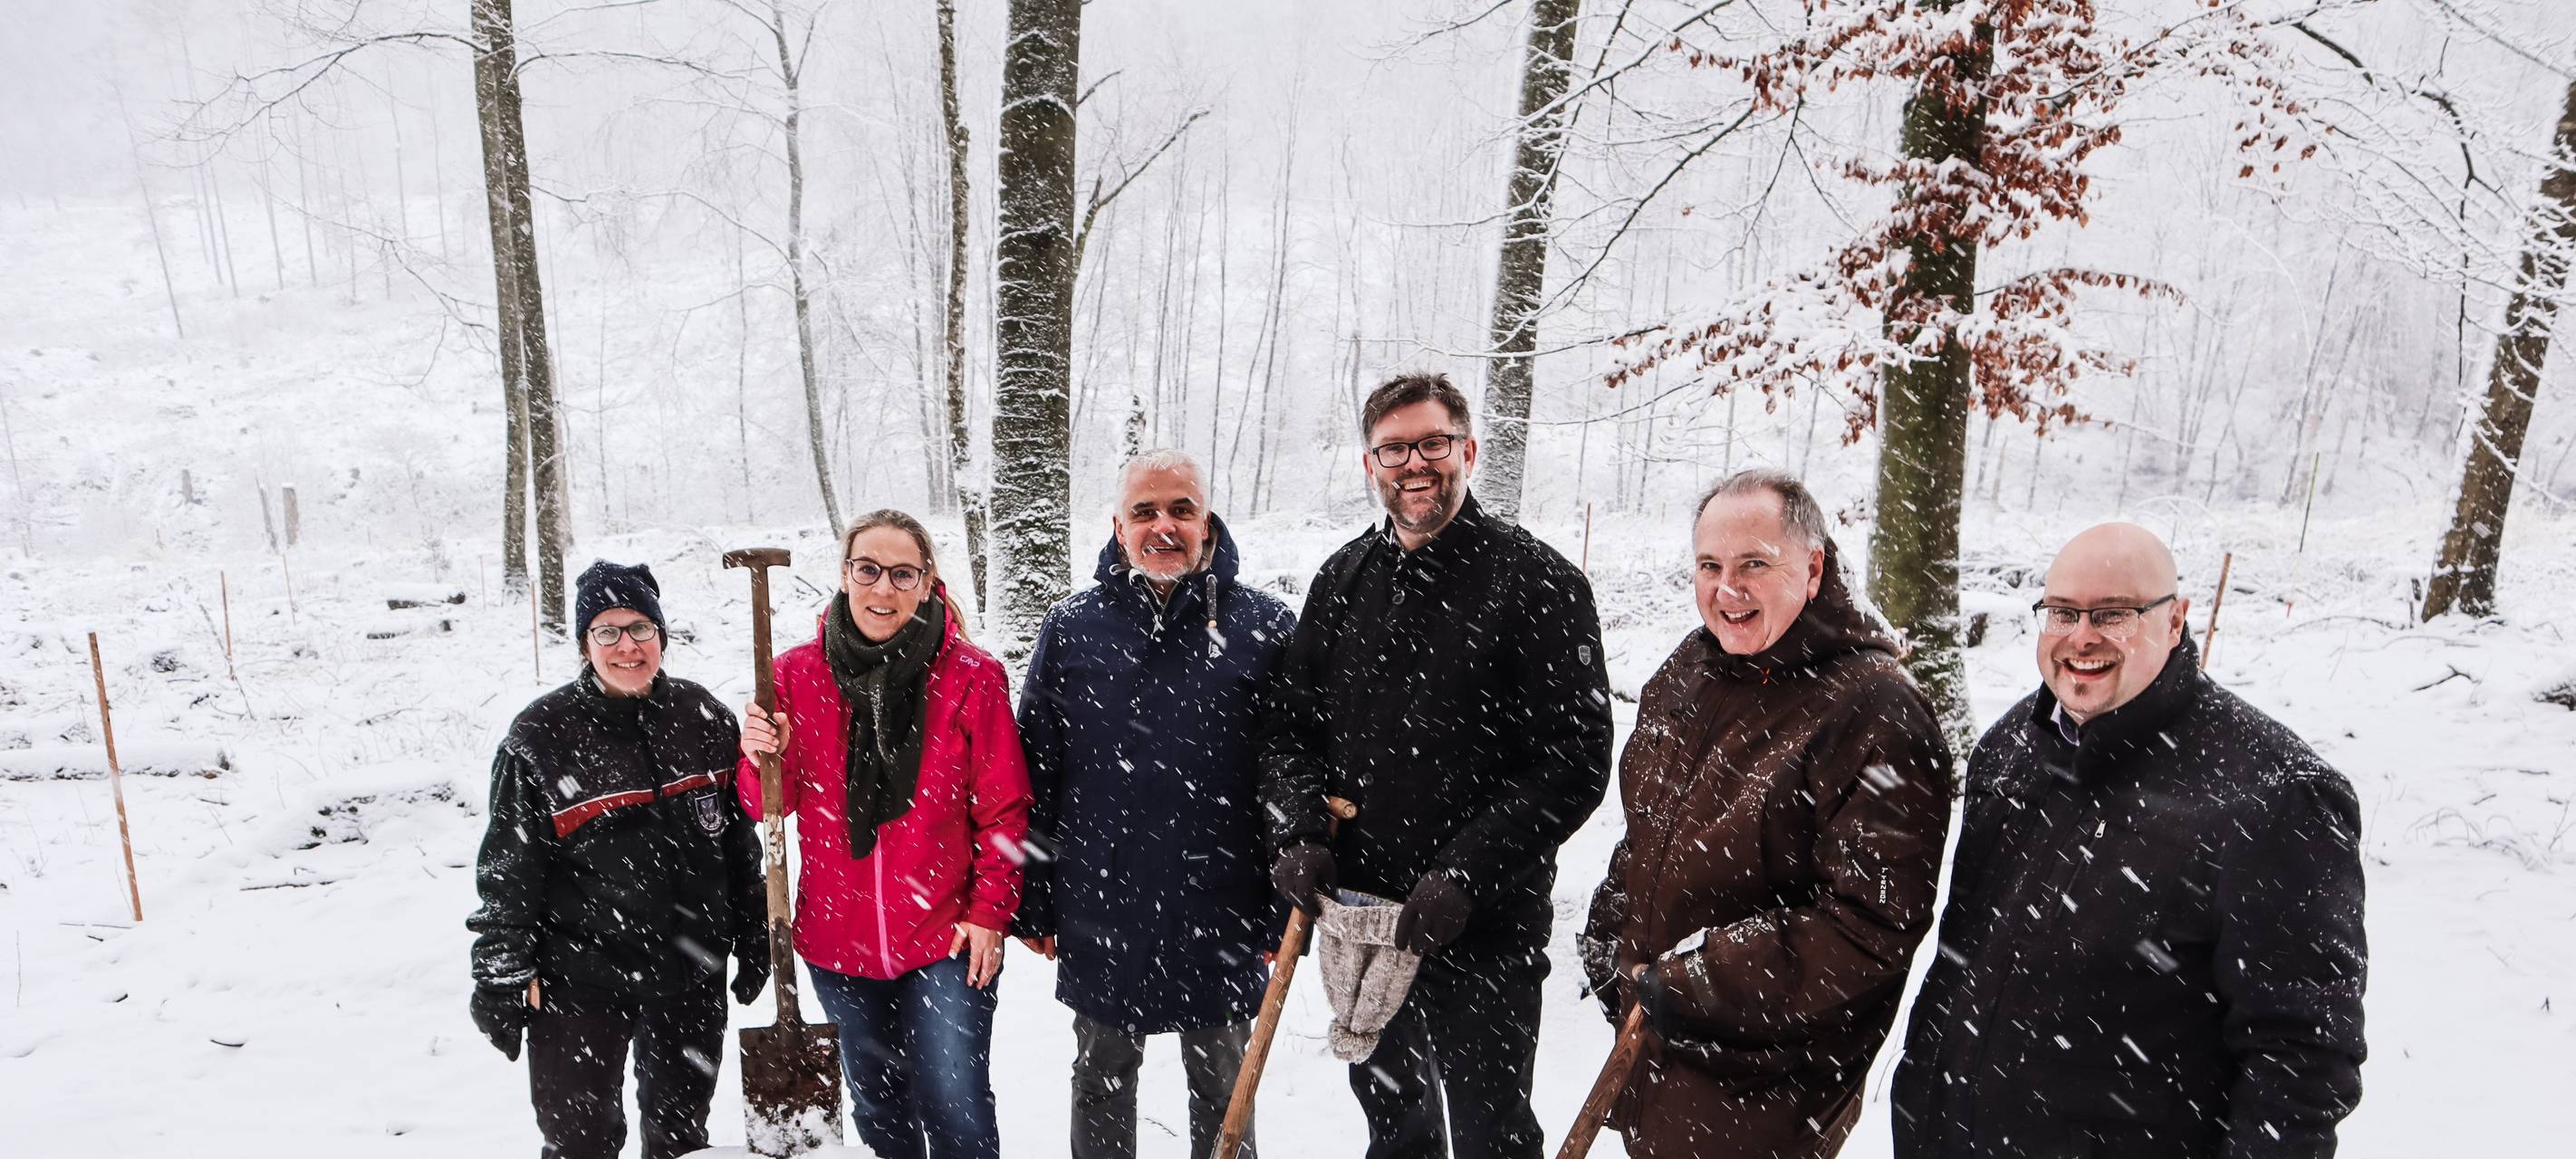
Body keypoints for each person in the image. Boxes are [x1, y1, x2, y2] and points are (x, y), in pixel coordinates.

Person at [1891, 522, 2368, 1158]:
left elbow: (2301, 1059)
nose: (2082, 637)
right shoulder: (2013, 747)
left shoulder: (2274, 794)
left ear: (2175, 621)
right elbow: (1963, 962)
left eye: (2114, 614)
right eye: (2062, 612)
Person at [1261, 372, 1614, 1159]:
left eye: (1433, 444)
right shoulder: (1343, 581)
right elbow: (1290, 731)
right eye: (1394, 449)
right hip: (1365, 915)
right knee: (1395, 1126)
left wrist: (1465, 872)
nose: (1414, 464)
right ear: (1370, 464)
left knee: (1493, 1131)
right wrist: (1297, 832)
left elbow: (1575, 760)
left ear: (1468, 452)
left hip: (1484, 925)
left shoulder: (1540, 583)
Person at [1579, 470, 1951, 1159]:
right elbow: (1650, 826)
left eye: (1754, 563)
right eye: (1709, 566)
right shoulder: (1692, 669)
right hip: (1658, 1045)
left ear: (1812, 570)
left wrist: (1697, 981)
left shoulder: (1875, 710)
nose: (1727, 590)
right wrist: (1611, 928)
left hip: (1763, 1081)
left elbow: (1871, 926)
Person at [1014, 448, 1298, 1159]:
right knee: (1100, 1076)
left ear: (1207, 520)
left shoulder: (1265, 627)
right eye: (1144, 511)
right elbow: (1037, 772)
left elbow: (1289, 775)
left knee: (1225, 1083)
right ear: (1119, 526)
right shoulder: (1072, 627)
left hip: (1223, 904)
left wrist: (1283, 902)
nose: (1163, 526)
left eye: (1181, 509)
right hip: (1102, 900)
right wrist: (1033, 897)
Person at [735, 510, 1032, 1159]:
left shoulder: (972, 677)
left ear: (927, 584)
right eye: (868, 569)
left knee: (956, 1104)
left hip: (948, 935)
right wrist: (762, 756)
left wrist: (990, 913)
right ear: (845, 575)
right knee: (878, 1101)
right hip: (836, 938)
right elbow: (763, 805)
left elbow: (1005, 810)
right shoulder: (794, 676)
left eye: (903, 574)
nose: (883, 588)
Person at [467, 560, 768, 1159]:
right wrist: (500, 972)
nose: (627, 646)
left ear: (661, 635)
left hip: (690, 970)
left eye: (640, 628)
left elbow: (736, 841)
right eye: (607, 631)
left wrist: (753, 926)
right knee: (580, 1140)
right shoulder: (541, 737)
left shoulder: (704, 718)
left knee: (680, 1138)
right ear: (585, 643)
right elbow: (509, 871)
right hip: (581, 977)